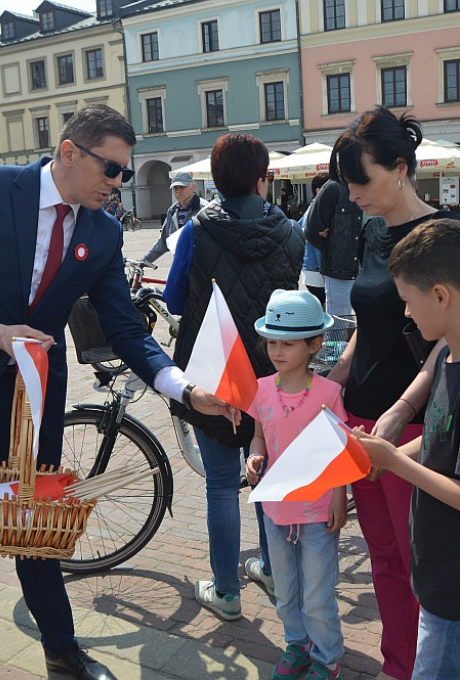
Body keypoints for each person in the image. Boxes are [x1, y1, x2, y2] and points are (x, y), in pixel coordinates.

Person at [0, 104, 237, 680]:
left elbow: (125, 327)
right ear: (70, 151)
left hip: (32, 396)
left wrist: (184, 389)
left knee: (39, 527)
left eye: (126, 173)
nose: (119, 183)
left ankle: (61, 650)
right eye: (112, 169)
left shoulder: (102, 232)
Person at [325, 106, 460, 680]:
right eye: (348, 184)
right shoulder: (372, 229)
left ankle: (430, 668)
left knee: (419, 564)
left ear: (401, 168)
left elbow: (451, 340)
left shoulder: (447, 237)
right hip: (360, 416)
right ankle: (397, 665)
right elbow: (371, 321)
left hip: (410, 428)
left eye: (363, 181)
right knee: (382, 557)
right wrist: (334, 380)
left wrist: (402, 408)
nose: (353, 194)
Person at [356, 218, 460, 680]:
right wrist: (383, 454)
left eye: (408, 301)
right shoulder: (451, 357)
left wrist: (392, 462)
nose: (406, 314)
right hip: (443, 575)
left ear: (441, 296)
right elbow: (438, 440)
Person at [165, 132, 304, 621]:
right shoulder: (291, 233)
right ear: (262, 179)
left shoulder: (196, 231)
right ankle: (271, 567)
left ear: (216, 181)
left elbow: (175, 301)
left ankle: (226, 591)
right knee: (266, 475)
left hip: (216, 374)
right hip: (275, 373)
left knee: (221, 485)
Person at [245, 290, 347, 680]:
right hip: (276, 509)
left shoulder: (329, 394)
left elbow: (340, 451)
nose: (277, 351)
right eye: (272, 342)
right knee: (285, 588)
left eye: (288, 343)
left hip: (319, 510)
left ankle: (327, 655)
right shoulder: (262, 388)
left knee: (317, 592)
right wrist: (253, 458)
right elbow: (259, 436)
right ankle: (296, 643)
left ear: (315, 344)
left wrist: (340, 496)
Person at [305, 179, 363, 316]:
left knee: (370, 325)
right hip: (339, 269)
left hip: (370, 269)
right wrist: (333, 248)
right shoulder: (333, 188)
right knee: (338, 325)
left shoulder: (376, 184)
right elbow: (313, 231)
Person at [143, 171, 201, 263]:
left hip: (202, 265)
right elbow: (164, 241)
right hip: (180, 263)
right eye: (175, 188)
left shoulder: (204, 209)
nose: (178, 190)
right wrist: (146, 260)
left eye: (182, 187)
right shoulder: (172, 211)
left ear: (193, 187)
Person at [298, 174, 330, 306]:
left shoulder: (311, 209)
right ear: (319, 190)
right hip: (316, 267)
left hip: (310, 267)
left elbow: (297, 228)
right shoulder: (319, 210)